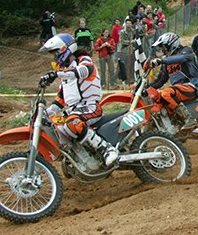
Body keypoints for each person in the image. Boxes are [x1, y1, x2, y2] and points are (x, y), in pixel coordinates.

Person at [38, 34, 118, 166]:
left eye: (55, 53)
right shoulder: (65, 73)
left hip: (90, 107)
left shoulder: (84, 61)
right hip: (74, 110)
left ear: (64, 49)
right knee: (55, 125)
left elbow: (82, 71)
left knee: (72, 123)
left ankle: (106, 149)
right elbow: (60, 101)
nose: (55, 58)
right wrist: (44, 113)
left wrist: (55, 74)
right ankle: (77, 156)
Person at [147, 32, 198, 129]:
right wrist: (147, 87)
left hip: (191, 86)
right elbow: (161, 80)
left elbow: (181, 58)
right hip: (177, 90)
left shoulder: (186, 51)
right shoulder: (167, 61)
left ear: (171, 44)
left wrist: (161, 60)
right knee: (157, 99)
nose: (162, 50)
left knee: (166, 93)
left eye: (164, 47)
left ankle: (188, 119)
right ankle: (170, 124)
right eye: (161, 47)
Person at [118, 18, 135, 84]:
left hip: (130, 50)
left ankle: (130, 79)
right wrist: (130, 42)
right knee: (123, 66)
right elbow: (121, 41)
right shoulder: (122, 32)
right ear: (125, 24)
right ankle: (123, 80)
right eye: (127, 23)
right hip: (123, 50)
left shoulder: (132, 31)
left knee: (130, 65)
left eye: (130, 23)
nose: (129, 24)